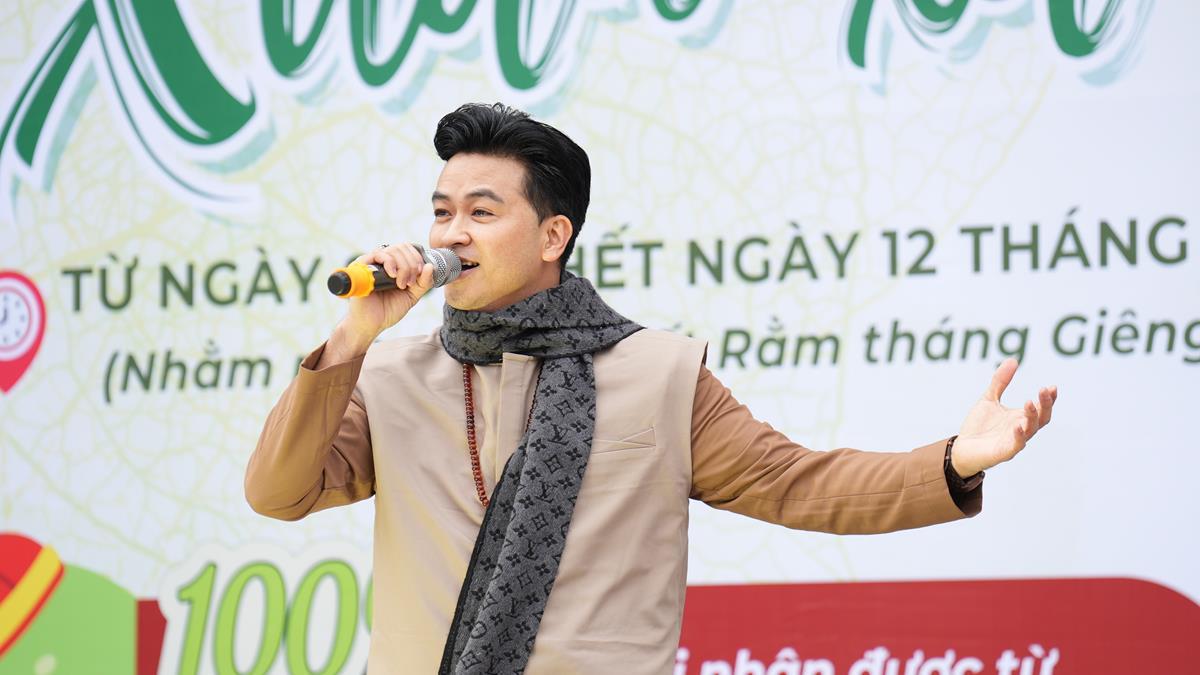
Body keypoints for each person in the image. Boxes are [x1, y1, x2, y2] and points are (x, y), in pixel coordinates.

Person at [245, 103, 1057, 675]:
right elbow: (277, 493)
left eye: (482, 213)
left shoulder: (659, 372)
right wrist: (351, 338)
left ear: (553, 235)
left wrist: (953, 460)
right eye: (442, 212)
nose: (451, 234)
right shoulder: (383, 374)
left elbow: (797, 483)